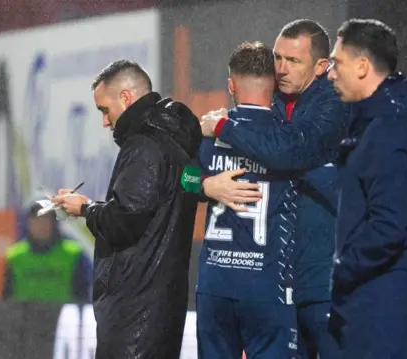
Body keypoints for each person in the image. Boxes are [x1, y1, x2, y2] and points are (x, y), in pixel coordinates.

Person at [199, 20, 348, 359]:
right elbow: (180, 180)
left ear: (322, 67)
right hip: (275, 286)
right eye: (277, 58)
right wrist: (206, 185)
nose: (280, 69)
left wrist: (224, 125)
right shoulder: (270, 108)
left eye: (293, 61)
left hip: (323, 281)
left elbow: (289, 151)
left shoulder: (335, 105)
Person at [52, 60, 202, 359]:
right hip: (158, 308)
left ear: (125, 98)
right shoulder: (175, 144)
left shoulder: (143, 146)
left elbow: (126, 219)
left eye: (104, 111)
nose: (105, 123)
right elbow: (181, 193)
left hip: (136, 311)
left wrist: (85, 209)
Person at [326, 19, 407, 358]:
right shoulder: (381, 127)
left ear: (363, 66)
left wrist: (337, 269)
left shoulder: (388, 133)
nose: (331, 73)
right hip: (389, 309)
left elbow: (387, 227)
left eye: (337, 63)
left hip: (386, 318)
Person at [196, 41, 299, 359]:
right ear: (275, 84)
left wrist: (206, 184)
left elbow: (178, 181)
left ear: (231, 84)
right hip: (267, 286)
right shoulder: (289, 139)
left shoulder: (208, 136)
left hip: (215, 285)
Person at [3, 202, 91, 303]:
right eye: (35, 220)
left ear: (53, 222)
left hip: (63, 317)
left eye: (45, 219)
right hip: (23, 317)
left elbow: (83, 297)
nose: (40, 224)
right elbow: (7, 297)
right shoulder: (15, 256)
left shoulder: (73, 254)